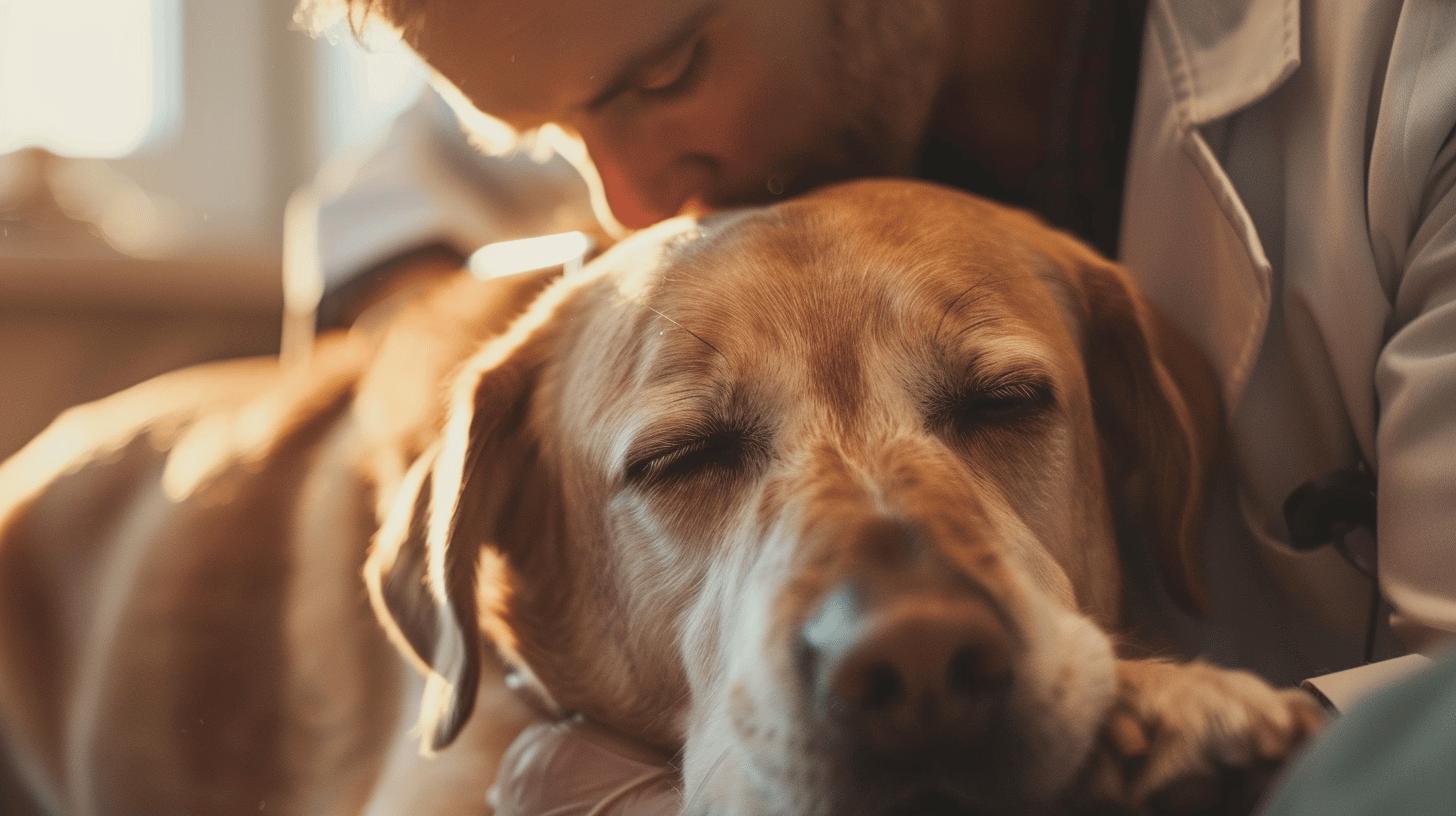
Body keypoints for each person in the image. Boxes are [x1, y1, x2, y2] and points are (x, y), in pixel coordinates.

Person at [289, 0, 1456, 811]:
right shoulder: (623, 51)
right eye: (547, 134)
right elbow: (382, 207)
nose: (631, 201)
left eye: (668, 73)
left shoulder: (1421, 67)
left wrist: (1219, 755)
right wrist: (452, 404)